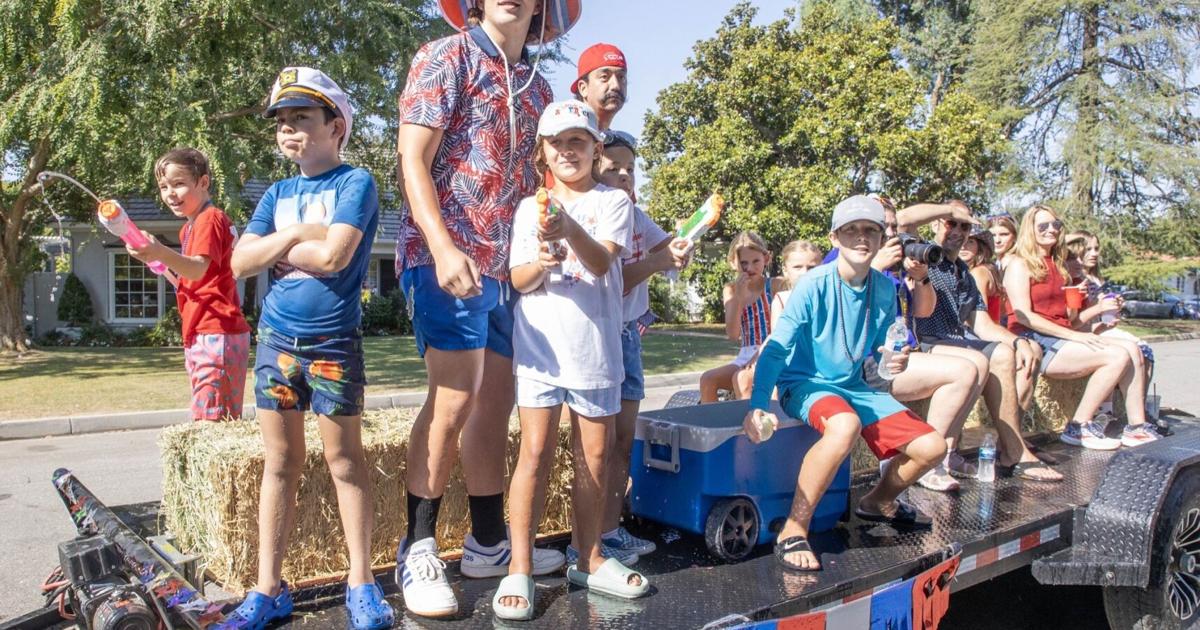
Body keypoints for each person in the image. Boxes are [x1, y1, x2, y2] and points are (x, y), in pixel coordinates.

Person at [393, 0, 578, 618]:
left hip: (506, 270)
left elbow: (538, 184)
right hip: (444, 255)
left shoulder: (540, 85)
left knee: (494, 406)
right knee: (453, 399)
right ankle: (416, 546)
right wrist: (443, 247)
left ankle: (488, 542)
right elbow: (413, 158)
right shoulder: (445, 56)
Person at [221, 67, 392, 630]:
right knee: (280, 463)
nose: (289, 130)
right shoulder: (277, 193)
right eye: (282, 121)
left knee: (345, 461)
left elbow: (336, 257)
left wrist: (279, 245)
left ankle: (362, 582)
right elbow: (240, 263)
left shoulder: (355, 184)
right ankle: (269, 587)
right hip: (277, 344)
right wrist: (300, 235)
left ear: (335, 124)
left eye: (302, 117)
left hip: (332, 346)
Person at [494, 101, 647, 620]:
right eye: (557, 142)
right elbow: (517, 280)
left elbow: (604, 260)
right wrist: (540, 260)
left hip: (596, 354)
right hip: (540, 353)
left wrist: (566, 231)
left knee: (596, 459)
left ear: (595, 148)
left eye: (578, 141)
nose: (568, 151)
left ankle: (590, 556)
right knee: (533, 455)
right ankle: (519, 566)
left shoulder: (613, 202)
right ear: (543, 151)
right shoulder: (525, 208)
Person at [746, 195, 946, 572]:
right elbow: (775, 350)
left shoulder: (886, 291)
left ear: (881, 236)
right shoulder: (812, 285)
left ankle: (875, 502)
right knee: (845, 425)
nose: (860, 238)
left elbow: (875, 361)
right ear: (834, 238)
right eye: (850, 230)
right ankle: (794, 529)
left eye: (869, 230)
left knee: (933, 447)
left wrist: (891, 364)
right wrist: (757, 404)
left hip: (857, 388)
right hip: (805, 384)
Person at [594, 129, 692, 566]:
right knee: (602, 438)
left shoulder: (635, 214)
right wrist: (657, 261)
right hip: (603, 334)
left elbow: (666, 245)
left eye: (630, 169)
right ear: (595, 168)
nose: (623, 175)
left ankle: (612, 529)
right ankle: (592, 535)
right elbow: (611, 285)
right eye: (613, 166)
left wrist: (680, 248)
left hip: (630, 334)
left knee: (623, 439)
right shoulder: (594, 217)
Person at [914, 202, 1063, 482]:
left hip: (954, 343)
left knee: (1006, 353)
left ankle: (1011, 448)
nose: (958, 230)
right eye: (951, 223)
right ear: (935, 224)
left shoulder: (962, 271)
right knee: (977, 360)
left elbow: (982, 324)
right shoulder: (922, 255)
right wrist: (947, 209)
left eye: (964, 225)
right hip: (924, 341)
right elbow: (901, 221)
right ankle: (938, 453)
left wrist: (1019, 341)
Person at [1003, 205, 1160, 449]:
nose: (1051, 230)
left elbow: (1069, 319)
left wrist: (1085, 313)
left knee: (1132, 348)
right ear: (1029, 231)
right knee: (1116, 356)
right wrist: (1074, 336)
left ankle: (1136, 426)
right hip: (1033, 340)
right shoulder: (1019, 264)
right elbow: (1025, 318)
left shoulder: (1059, 266)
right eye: (1043, 226)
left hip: (1060, 335)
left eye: (1055, 224)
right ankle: (1079, 425)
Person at [125, 148, 251, 422]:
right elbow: (191, 277)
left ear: (203, 183)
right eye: (163, 186)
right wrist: (156, 258)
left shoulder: (210, 219)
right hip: (203, 330)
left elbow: (197, 268)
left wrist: (160, 251)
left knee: (212, 421)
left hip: (216, 331)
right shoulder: (189, 228)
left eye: (179, 184)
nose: (170, 193)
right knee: (209, 417)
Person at [698, 232, 785, 403]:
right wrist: (738, 297)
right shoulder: (731, 290)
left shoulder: (775, 285)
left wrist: (760, 355)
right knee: (708, 379)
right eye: (744, 263)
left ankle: (750, 425)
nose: (750, 268)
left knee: (742, 378)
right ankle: (715, 427)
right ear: (733, 263)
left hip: (770, 350)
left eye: (755, 261)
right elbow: (732, 334)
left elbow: (781, 329)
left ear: (766, 259)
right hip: (745, 355)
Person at [769, 240, 824, 330]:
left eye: (811, 267)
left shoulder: (829, 297)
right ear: (785, 270)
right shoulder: (782, 300)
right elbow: (778, 338)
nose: (804, 273)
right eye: (797, 267)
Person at [572, 43, 627, 131]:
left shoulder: (617, 142)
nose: (616, 85)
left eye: (621, 77)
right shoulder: (566, 135)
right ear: (583, 88)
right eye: (604, 77)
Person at [961, 229, 1005, 326]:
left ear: (980, 246)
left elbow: (977, 316)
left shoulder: (978, 272)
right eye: (960, 241)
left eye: (970, 241)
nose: (963, 246)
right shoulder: (985, 269)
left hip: (980, 336)